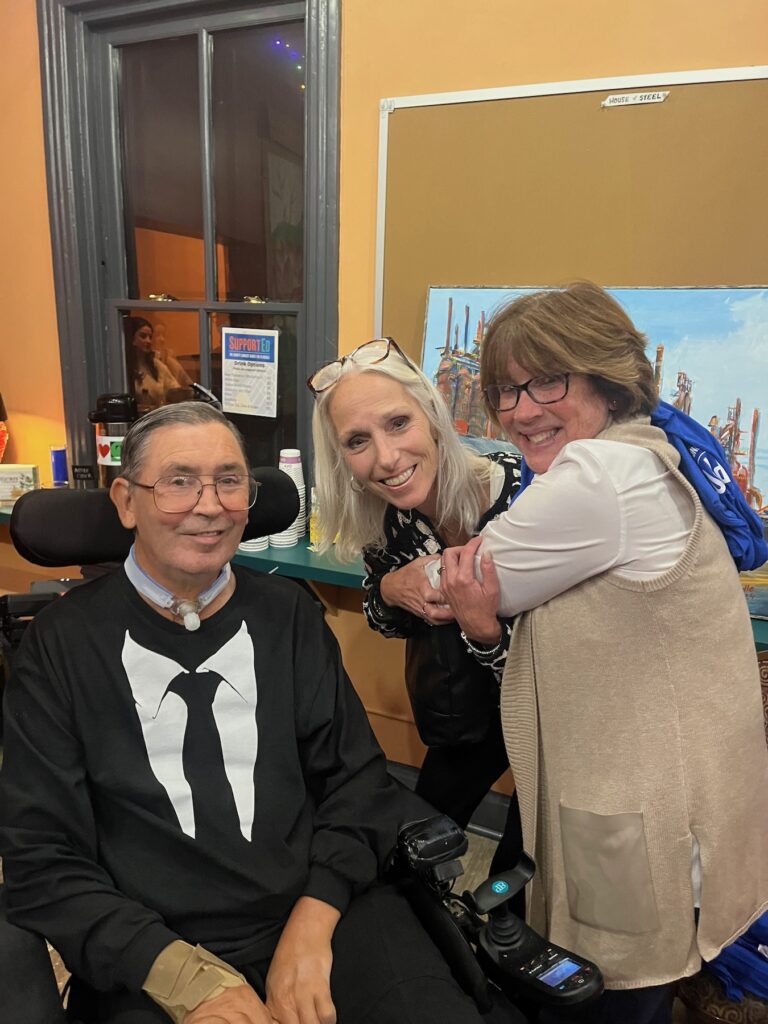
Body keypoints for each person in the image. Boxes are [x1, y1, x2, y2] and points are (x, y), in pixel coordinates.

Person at [0, 401, 524, 1024]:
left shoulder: (288, 614)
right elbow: (40, 853)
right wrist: (184, 978)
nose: (210, 506)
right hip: (148, 943)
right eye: (179, 482)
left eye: (229, 481)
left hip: (322, 905)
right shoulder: (61, 644)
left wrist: (312, 923)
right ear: (126, 501)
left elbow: (357, 782)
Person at [438, 282, 768, 1024]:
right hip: (675, 802)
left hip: (643, 818)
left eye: (548, 382)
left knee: (610, 992)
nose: (522, 410)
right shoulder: (656, 452)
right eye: (505, 391)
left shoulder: (602, 475)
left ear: (609, 381)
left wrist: (403, 579)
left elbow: (457, 583)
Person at [309, 338, 524, 880]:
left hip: (550, 717)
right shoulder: (388, 519)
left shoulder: (526, 493)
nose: (386, 458)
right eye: (358, 440)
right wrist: (390, 589)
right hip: (466, 718)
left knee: (519, 873)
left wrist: (483, 630)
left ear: (432, 414)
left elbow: (572, 654)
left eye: (398, 423)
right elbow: (382, 615)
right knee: (415, 850)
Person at [126, 316, 192, 411]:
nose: (148, 341)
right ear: (132, 338)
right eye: (143, 336)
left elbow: (175, 389)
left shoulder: (157, 365)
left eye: (150, 337)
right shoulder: (124, 366)